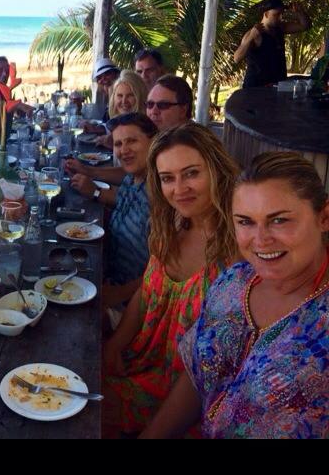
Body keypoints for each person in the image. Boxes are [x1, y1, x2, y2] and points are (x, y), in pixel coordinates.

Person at [141, 153, 329, 440]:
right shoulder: (233, 282)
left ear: (324, 217)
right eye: (245, 222)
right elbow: (196, 379)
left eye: (279, 220)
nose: (260, 240)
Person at [102, 123, 239, 437]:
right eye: (167, 178)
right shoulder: (174, 221)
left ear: (216, 169)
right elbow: (145, 294)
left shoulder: (238, 245)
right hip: (139, 360)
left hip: (185, 397)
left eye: (191, 173)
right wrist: (114, 345)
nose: (179, 189)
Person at [103, 114, 158, 307]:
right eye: (118, 144)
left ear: (153, 141)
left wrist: (118, 294)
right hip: (112, 281)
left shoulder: (159, 193)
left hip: (136, 303)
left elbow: (165, 270)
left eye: (132, 141)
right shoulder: (131, 179)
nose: (124, 150)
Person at [234, 0, 311, 89]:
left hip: (277, 85)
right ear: (266, 14)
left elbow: (305, 26)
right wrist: (251, 37)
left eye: (282, 14)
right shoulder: (254, 34)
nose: (280, 18)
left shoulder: (280, 28)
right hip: (256, 88)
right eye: (277, 14)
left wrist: (300, 12)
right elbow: (236, 58)